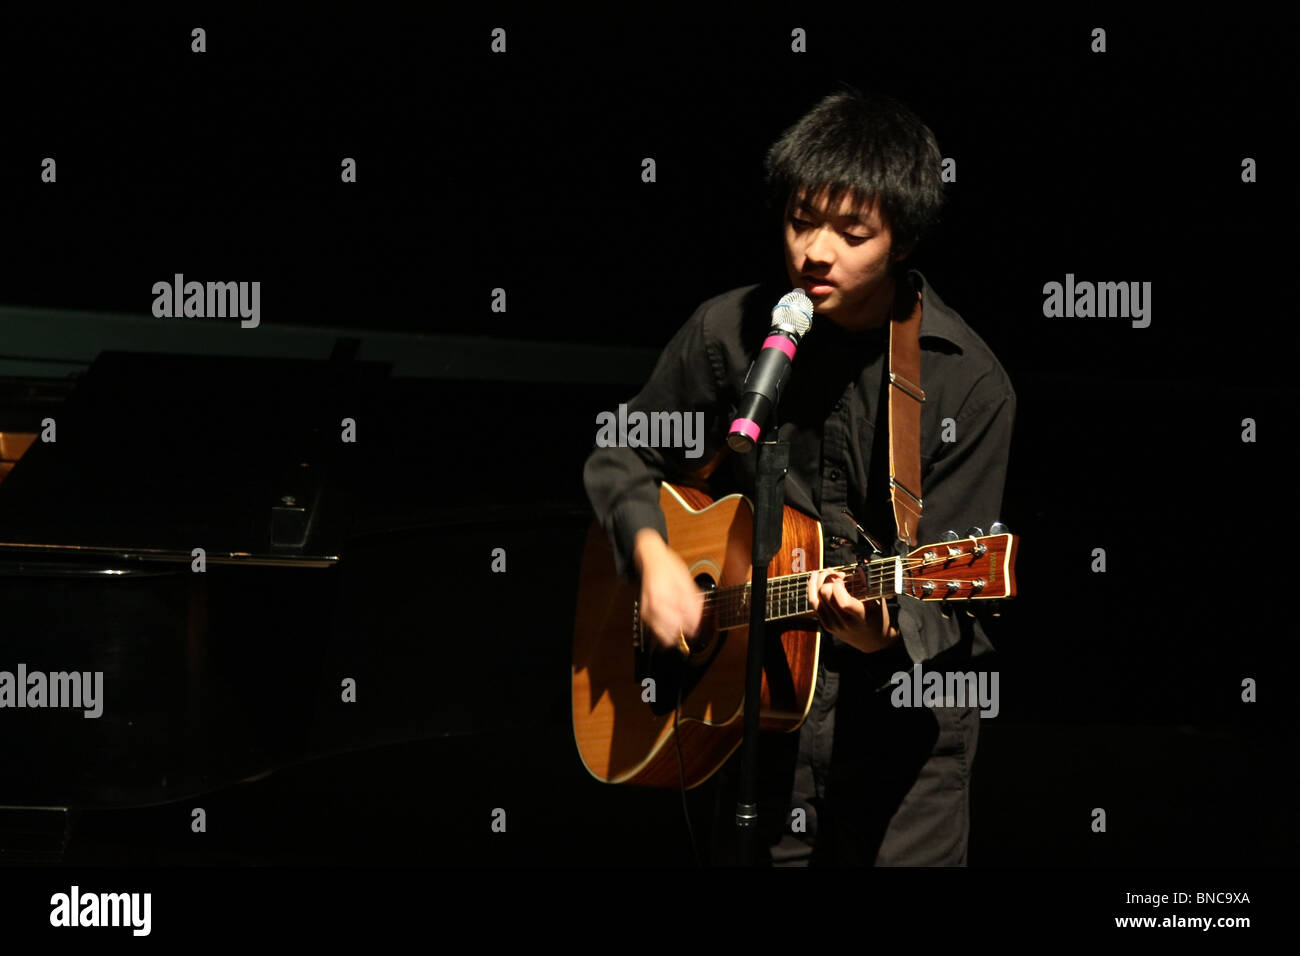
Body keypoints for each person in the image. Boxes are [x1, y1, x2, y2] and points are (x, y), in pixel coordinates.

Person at [582, 87, 1015, 866]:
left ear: (904, 240)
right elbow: (622, 454)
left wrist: (880, 628)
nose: (815, 251)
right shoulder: (732, 331)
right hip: (754, 721)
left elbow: (951, 582)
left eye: (852, 232)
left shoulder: (969, 385)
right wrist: (652, 561)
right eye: (800, 220)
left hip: (903, 740)